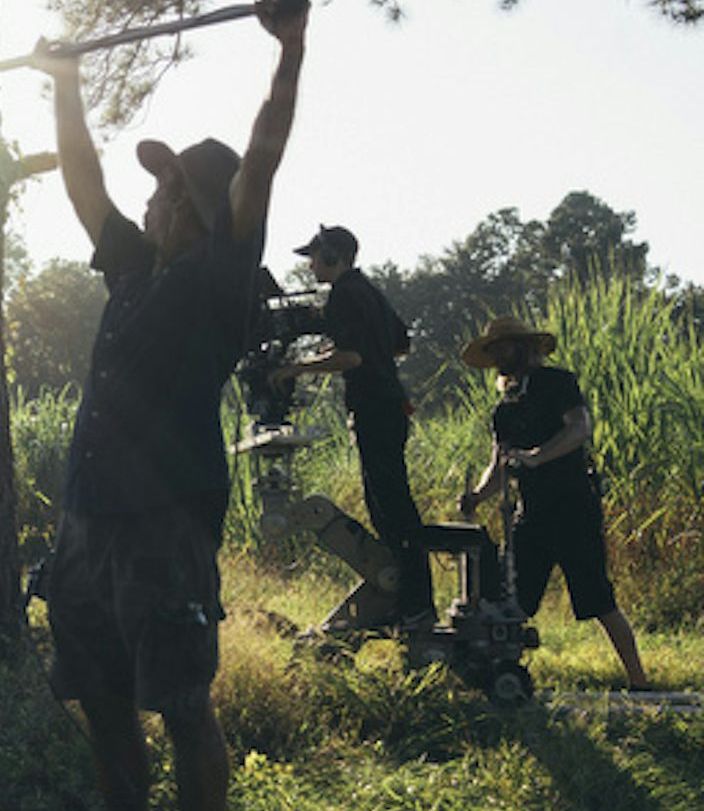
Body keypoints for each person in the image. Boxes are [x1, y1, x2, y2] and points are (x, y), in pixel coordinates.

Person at [28, 0, 308, 811]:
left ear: (199, 207)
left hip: (165, 524)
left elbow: (264, 154)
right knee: (104, 705)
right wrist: (64, 83)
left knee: (183, 706)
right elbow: (81, 180)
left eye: (165, 191)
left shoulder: (221, 274)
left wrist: (289, 50)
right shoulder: (135, 271)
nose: (148, 203)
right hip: (88, 520)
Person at [456, 316, 650, 689]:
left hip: (573, 506)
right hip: (532, 515)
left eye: (501, 349)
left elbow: (579, 428)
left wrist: (537, 456)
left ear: (521, 347)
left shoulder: (557, 383)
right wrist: (477, 496)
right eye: (492, 351)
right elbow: (499, 464)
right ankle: (495, 675)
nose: (497, 357)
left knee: (597, 596)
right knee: (508, 599)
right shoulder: (505, 408)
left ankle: (639, 682)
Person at [271, 225, 437, 629]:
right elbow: (400, 343)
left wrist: (295, 367)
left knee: (392, 510)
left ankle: (416, 604)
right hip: (389, 407)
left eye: (314, 256)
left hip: (375, 410)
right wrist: (352, 352)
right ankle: (411, 600)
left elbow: (352, 358)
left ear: (333, 256)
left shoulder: (345, 294)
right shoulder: (369, 291)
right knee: (391, 508)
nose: (310, 265)